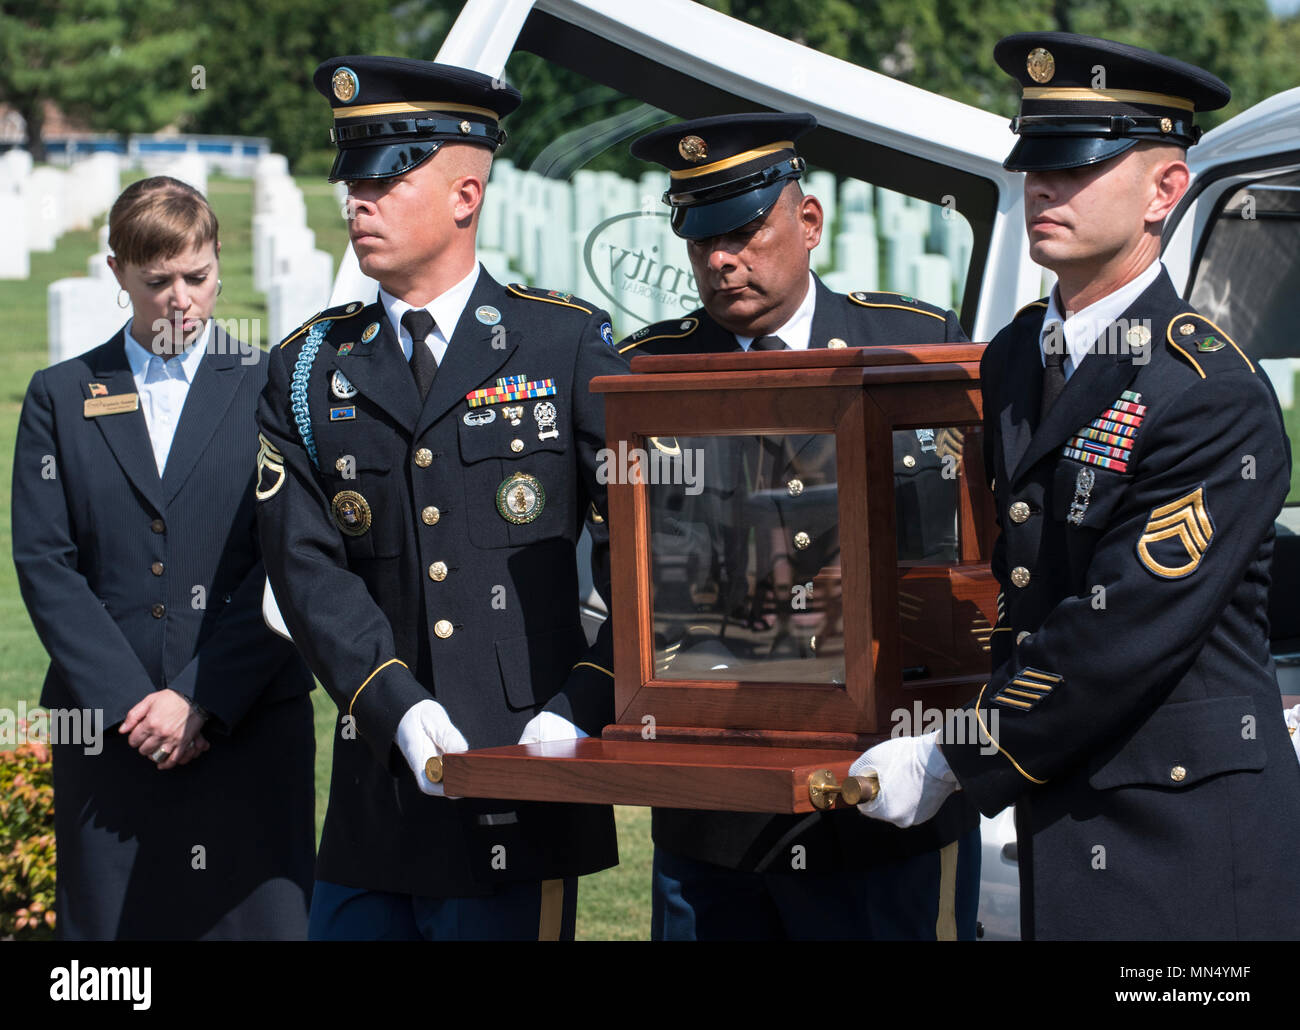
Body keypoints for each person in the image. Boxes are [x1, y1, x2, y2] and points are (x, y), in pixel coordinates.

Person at [851, 32, 1300, 940]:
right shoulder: (1019, 353)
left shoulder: (1207, 393)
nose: (1045, 188)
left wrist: (952, 755)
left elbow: (1115, 631)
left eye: (1079, 166)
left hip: (1184, 838)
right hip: (1065, 806)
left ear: (1165, 193)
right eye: (1036, 165)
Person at [255, 56, 628, 941]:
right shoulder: (310, 367)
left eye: (386, 177)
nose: (359, 200)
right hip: (377, 794)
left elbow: (650, 545)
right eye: (352, 178)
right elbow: (305, 566)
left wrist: (591, 696)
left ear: (467, 195)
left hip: (528, 774)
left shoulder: (562, 343)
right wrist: (394, 701)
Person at [612, 113, 980, 940]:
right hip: (715, 811)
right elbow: (624, 571)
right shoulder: (649, 374)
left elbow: (967, 553)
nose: (720, 257)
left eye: (744, 230)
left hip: (883, 805)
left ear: (808, 223)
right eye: (698, 236)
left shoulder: (915, 345)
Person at [11, 175, 315, 940]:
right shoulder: (61, 394)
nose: (180, 299)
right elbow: (46, 560)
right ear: (118, 274)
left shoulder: (269, 387)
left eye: (197, 277)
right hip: (112, 736)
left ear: (219, 265)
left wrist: (199, 697)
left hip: (245, 721)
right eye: (157, 282)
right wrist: (130, 706)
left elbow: (288, 557)